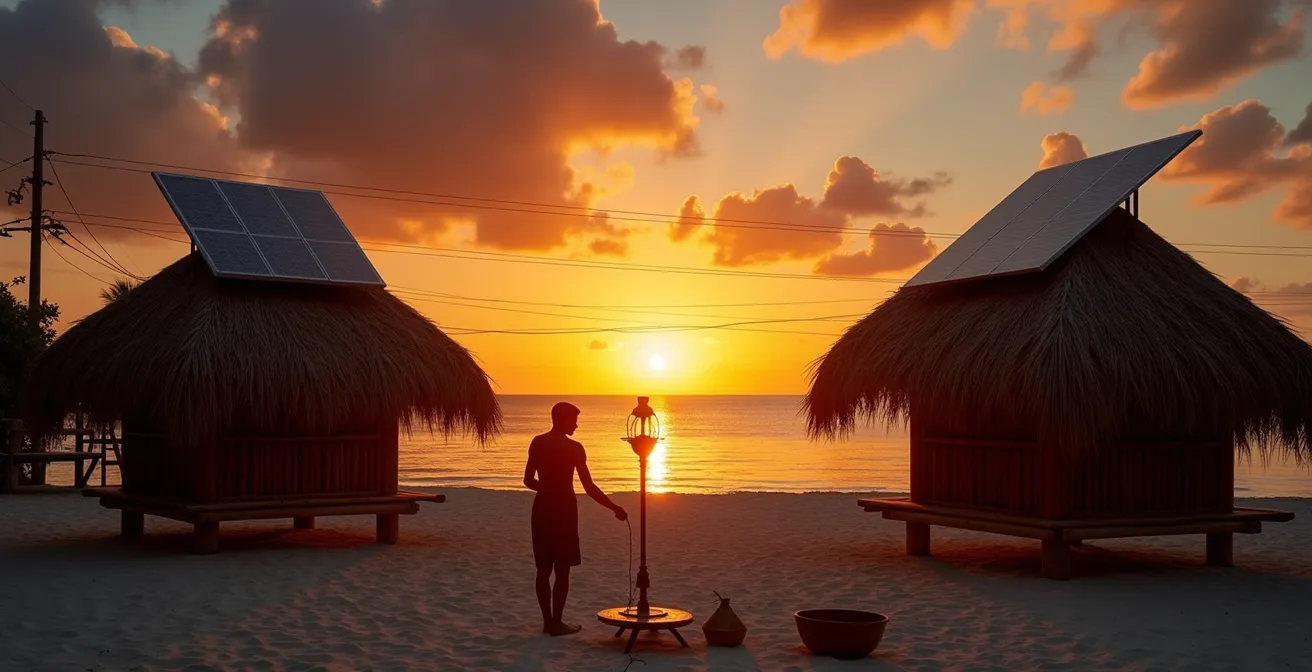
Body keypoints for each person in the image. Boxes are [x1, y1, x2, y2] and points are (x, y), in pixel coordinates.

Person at [523, 401, 627, 636]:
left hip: (542, 509)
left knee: (543, 569)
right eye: (574, 421)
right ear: (562, 420)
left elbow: (528, 480)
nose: (577, 426)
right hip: (564, 511)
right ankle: (556, 622)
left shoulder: (538, 442)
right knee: (562, 570)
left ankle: (548, 622)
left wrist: (546, 489)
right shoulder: (575, 448)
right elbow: (589, 487)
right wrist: (613, 507)